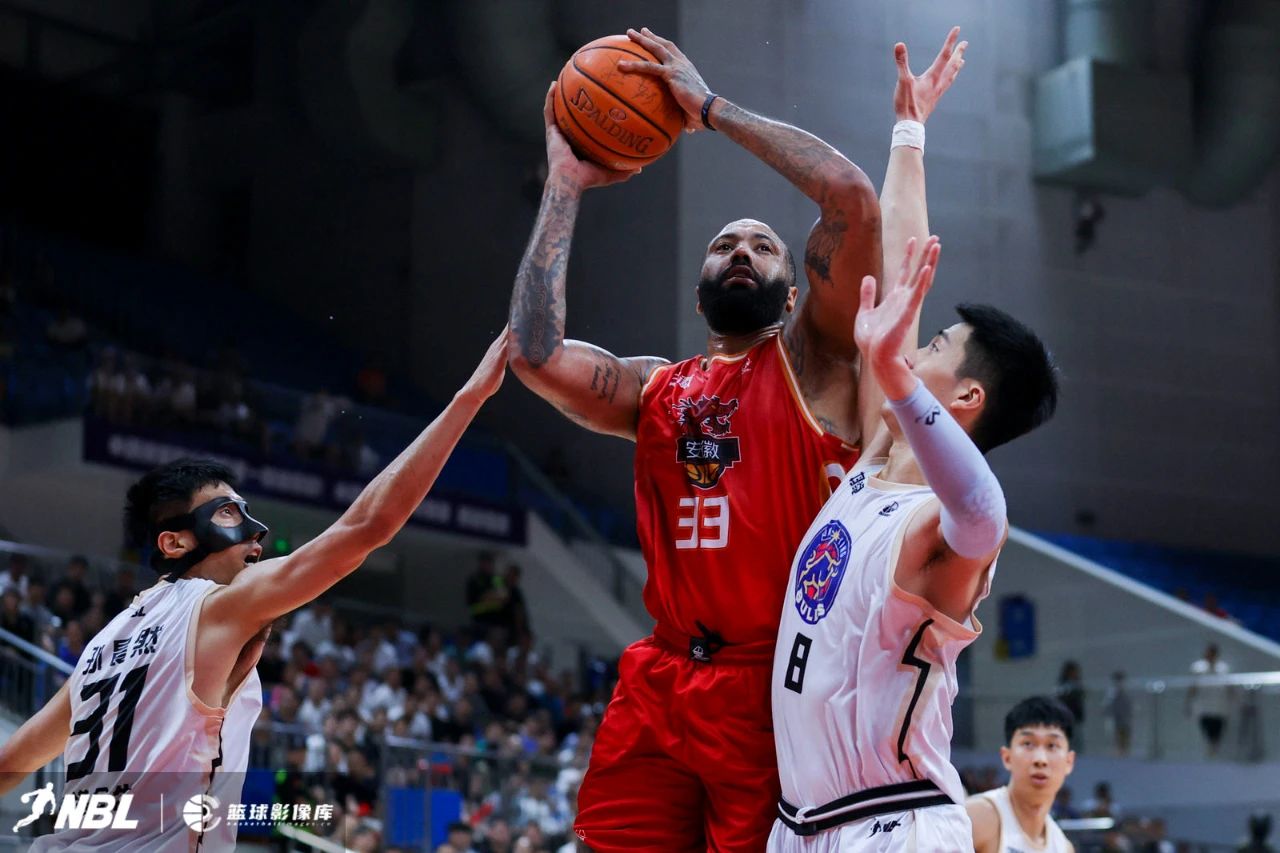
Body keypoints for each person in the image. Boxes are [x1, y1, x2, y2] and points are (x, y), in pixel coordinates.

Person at [507, 22, 947, 848]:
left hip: (773, 685)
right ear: (700, 293)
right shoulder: (654, 389)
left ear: (796, 294)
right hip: (661, 676)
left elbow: (850, 201)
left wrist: (708, 110)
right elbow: (533, 355)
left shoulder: (815, 365)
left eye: (763, 245)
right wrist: (564, 182)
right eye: (722, 245)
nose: (741, 249)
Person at [0, 330, 508, 850]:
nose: (255, 531)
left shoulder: (99, 651)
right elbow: (366, 527)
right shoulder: (216, 607)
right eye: (227, 513)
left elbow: (10, 763)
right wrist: (469, 398)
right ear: (174, 542)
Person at [768, 76, 1058, 844]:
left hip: (894, 823)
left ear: (965, 396)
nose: (908, 342)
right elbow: (900, 269)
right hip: (798, 824)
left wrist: (893, 377)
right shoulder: (878, 455)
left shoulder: (946, 527)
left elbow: (983, 513)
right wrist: (908, 132)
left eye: (929, 345)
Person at [967, 697, 1077, 853]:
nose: (1040, 759)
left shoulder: (1063, 847)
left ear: (1069, 762)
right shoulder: (977, 816)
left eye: (1052, 745)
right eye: (1028, 744)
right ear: (1007, 757)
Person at [1188, 642, 1231, 757]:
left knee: (1217, 728)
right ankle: (1209, 748)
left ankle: (1215, 749)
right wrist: (1189, 702)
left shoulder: (1223, 668)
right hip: (1203, 704)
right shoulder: (1198, 668)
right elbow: (1193, 686)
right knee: (1205, 726)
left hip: (1219, 705)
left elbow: (1229, 686)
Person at [1102, 670, 1133, 756]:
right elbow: (1108, 703)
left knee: (1124, 733)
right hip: (1116, 716)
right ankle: (1119, 751)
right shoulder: (1112, 691)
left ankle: (1124, 750)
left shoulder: (1125, 690)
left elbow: (1128, 704)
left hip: (1124, 716)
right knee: (1117, 733)